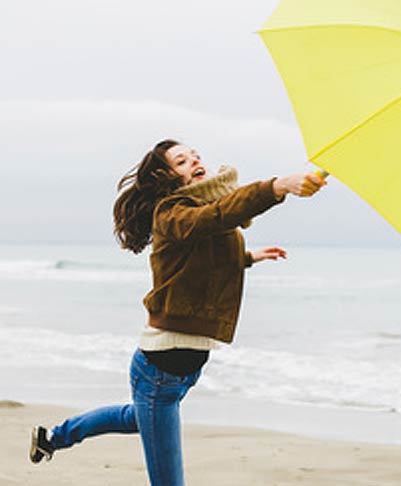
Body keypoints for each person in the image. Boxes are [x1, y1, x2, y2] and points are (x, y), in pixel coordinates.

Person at [28, 139, 326, 485]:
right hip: (160, 372)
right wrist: (277, 187)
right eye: (181, 161)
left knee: (133, 417)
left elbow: (199, 260)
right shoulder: (170, 213)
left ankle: (51, 437)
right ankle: (55, 437)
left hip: (178, 372)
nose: (194, 161)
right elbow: (216, 216)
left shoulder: (196, 211)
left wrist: (248, 258)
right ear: (166, 177)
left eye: (195, 155)